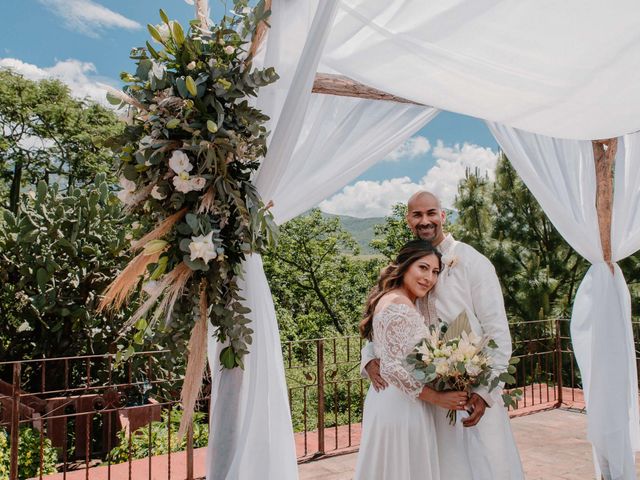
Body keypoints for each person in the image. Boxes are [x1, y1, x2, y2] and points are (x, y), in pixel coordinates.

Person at [361, 191, 524, 479]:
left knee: (482, 465)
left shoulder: (472, 261)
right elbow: (388, 321)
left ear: (443, 215)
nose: (425, 221)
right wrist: (369, 359)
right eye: (417, 215)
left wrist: (484, 394)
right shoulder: (412, 262)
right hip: (427, 400)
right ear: (408, 220)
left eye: (431, 213)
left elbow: (498, 333)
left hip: (469, 393)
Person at [354, 239, 468, 480]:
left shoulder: (393, 298)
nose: (429, 278)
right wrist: (438, 397)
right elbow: (395, 368)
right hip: (401, 405)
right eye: (423, 268)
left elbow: (387, 350)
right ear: (405, 266)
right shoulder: (399, 304)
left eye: (435, 271)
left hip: (391, 400)